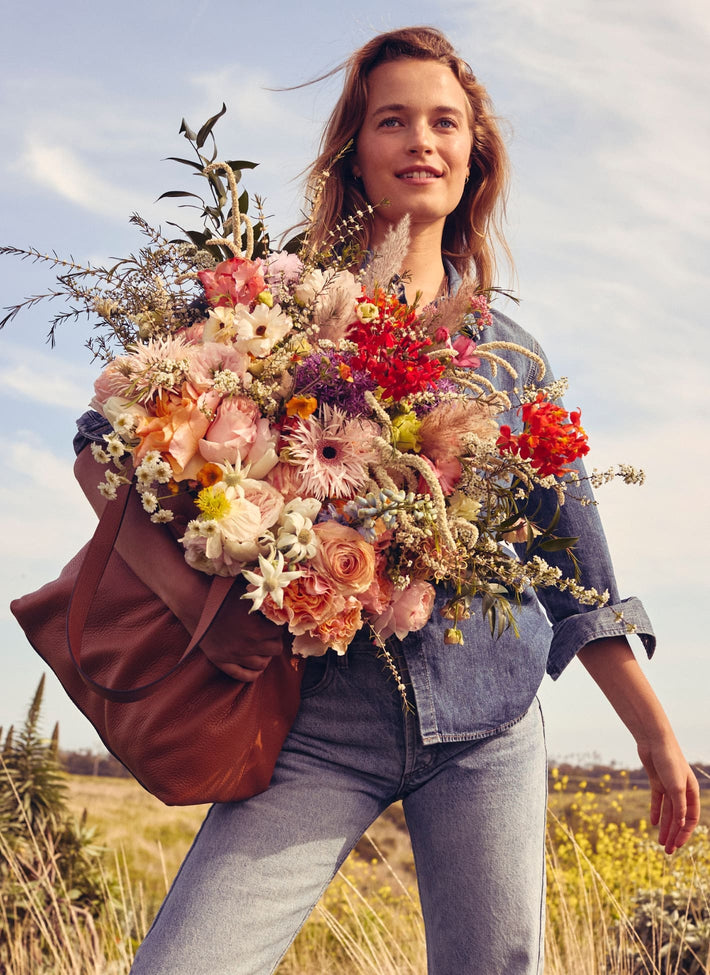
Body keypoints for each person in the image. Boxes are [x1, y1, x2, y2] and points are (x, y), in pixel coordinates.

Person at [121, 25, 700, 975]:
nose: (421, 140)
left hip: (488, 731)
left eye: (444, 122)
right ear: (357, 150)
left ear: (474, 157)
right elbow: (112, 443)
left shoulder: (513, 359)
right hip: (318, 724)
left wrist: (658, 737)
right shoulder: (272, 315)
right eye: (394, 120)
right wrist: (230, 530)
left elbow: (578, 573)